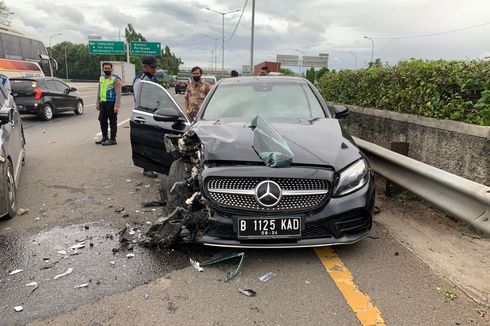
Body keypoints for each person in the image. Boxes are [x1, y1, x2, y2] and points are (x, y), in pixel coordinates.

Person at [132, 56, 159, 178]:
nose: (154, 69)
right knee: (146, 142)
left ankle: (153, 165)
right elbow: (139, 99)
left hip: (154, 113)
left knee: (153, 141)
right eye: (152, 67)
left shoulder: (152, 78)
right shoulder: (141, 80)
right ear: (145, 67)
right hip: (145, 114)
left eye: (155, 67)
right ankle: (147, 168)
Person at [95, 63, 122, 146]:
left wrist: (117, 106)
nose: (107, 70)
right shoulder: (101, 78)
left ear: (111, 69)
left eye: (108, 68)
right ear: (103, 69)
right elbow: (99, 91)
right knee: (102, 120)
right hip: (103, 102)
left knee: (112, 121)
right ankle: (105, 137)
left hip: (111, 102)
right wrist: (97, 102)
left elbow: (118, 93)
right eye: (105, 68)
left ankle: (113, 139)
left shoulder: (115, 79)